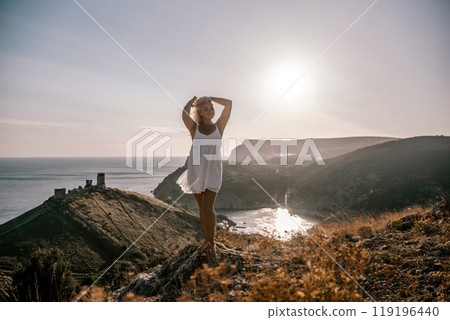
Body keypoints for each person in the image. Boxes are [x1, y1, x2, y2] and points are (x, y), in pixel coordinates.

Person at [176, 96, 232, 261]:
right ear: (200, 112)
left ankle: (212, 244)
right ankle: (207, 241)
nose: (210, 111)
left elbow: (229, 104)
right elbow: (184, 114)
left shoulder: (219, 126)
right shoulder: (194, 128)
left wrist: (211, 97)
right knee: (202, 208)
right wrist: (191, 102)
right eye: (206, 109)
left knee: (209, 207)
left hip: (213, 170)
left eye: (211, 108)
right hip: (197, 170)